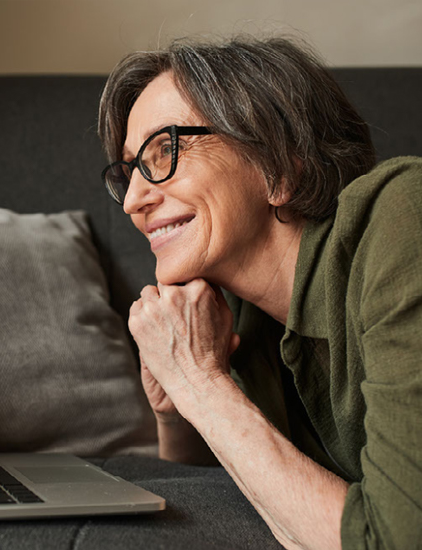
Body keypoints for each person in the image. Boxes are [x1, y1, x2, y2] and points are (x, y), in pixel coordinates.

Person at [98, 36, 422, 550]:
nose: (133, 200)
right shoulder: (244, 315)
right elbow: (225, 489)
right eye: (129, 171)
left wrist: (200, 384)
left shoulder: (405, 217)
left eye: (166, 150)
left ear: (279, 164)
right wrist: (175, 406)